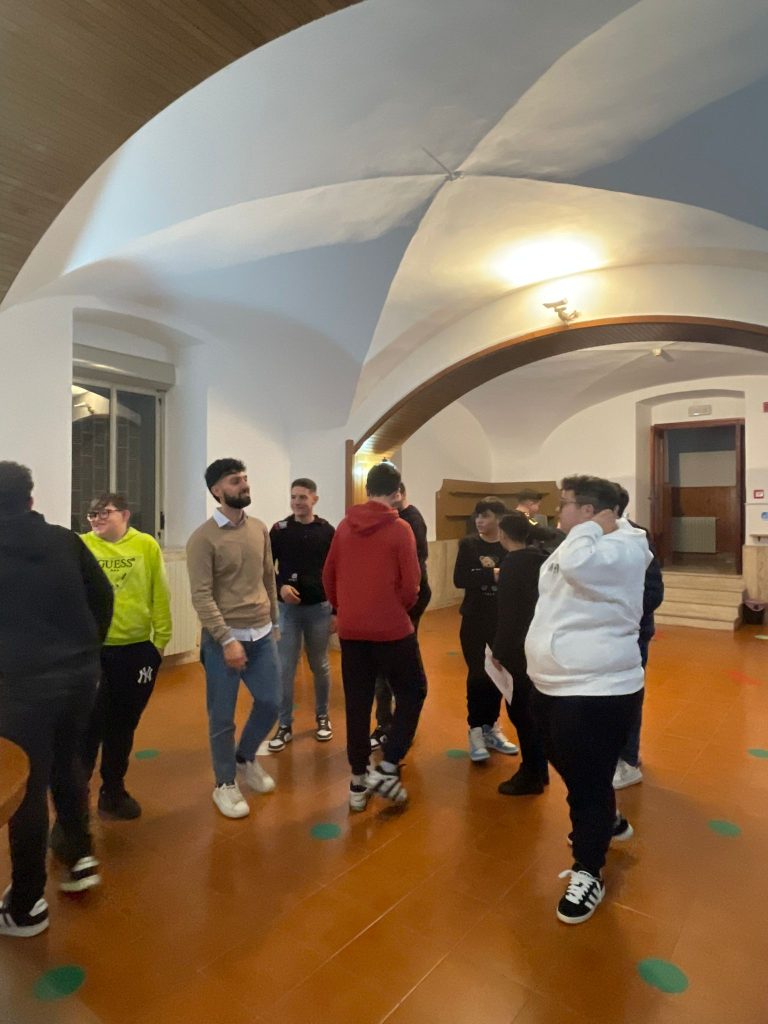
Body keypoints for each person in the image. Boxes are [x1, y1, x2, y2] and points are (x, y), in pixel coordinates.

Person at [525, 475, 651, 925]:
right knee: (563, 760)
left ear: (590, 511)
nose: (557, 512)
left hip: (597, 688)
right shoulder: (580, 542)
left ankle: (588, 868)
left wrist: (594, 525)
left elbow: (579, 566)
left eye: (565, 504)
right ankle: (606, 821)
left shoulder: (626, 547)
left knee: (590, 782)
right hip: (552, 681)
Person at [0, 462, 113, 938]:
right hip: (79, 676)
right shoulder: (66, 541)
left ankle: (27, 905)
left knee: (25, 785)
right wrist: (87, 650)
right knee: (67, 762)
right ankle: (80, 853)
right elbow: (102, 596)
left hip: (19, 686)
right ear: (31, 499)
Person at [322, 461, 424, 810]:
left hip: (352, 631)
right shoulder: (401, 529)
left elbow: (328, 575)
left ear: (366, 490)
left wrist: (345, 609)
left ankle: (357, 780)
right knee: (413, 692)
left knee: (357, 703)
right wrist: (396, 608)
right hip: (392, 629)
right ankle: (389, 765)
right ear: (396, 492)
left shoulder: (343, 527)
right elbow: (411, 585)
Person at [186, 458, 280, 819]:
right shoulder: (203, 538)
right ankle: (224, 783)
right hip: (223, 642)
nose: (243, 484)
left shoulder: (259, 528)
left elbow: (267, 577)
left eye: (244, 478)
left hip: (262, 635)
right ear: (217, 490)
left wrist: (274, 622)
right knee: (222, 717)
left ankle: (245, 757)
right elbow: (201, 595)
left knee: (271, 702)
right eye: (234, 481)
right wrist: (226, 640)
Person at [76, 492, 172, 819]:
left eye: (104, 512)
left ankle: (113, 792)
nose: (96, 519)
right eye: (92, 514)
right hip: (93, 652)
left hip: (136, 651)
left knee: (122, 725)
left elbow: (159, 592)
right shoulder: (80, 546)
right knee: (87, 728)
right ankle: (75, 804)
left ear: (125, 515)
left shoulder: (145, 545)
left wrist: (160, 643)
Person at [267, 478, 335, 751]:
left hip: (320, 610)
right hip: (289, 613)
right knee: (285, 668)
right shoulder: (279, 530)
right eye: (293, 497)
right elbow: (265, 568)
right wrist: (280, 587)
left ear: (314, 499)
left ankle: (323, 717)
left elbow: (336, 571)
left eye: (302, 497)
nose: (297, 502)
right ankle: (284, 724)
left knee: (320, 665)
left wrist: (337, 611)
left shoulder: (327, 531)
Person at [453, 497, 519, 761]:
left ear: (499, 519)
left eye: (486, 515)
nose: (480, 520)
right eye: (478, 516)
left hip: (501, 621)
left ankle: (492, 727)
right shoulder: (469, 544)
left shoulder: (508, 545)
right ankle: (475, 730)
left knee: (498, 675)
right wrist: (492, 575)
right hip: (474, 620)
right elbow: (460, 578)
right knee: (478, 676)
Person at [491, 512, 549, 796]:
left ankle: (531, 774)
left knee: (521, 712)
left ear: (502, 534)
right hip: (537, 643)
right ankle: (539, 769)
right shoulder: (540, 560)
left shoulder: (512, 565)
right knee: (532, 711)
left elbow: (509, 615)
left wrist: (498, 650)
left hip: (516, 648)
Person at [371, 480, 431, 748]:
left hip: (405, 605)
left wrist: (402, 604)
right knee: (384, 669)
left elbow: (414, 568)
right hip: (389, 604)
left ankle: (396, 725)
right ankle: (386, 723)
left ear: (399, 494)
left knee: (398, 668)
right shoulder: (390, 520)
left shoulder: (410, 520)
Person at [612, 485, 664, 790]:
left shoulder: (637, 537)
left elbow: (653, 592)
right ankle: (613, 753)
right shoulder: (588, 539)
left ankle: (627, 760)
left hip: (632, 634)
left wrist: (614, 614)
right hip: (601, 638)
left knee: (628, 697)